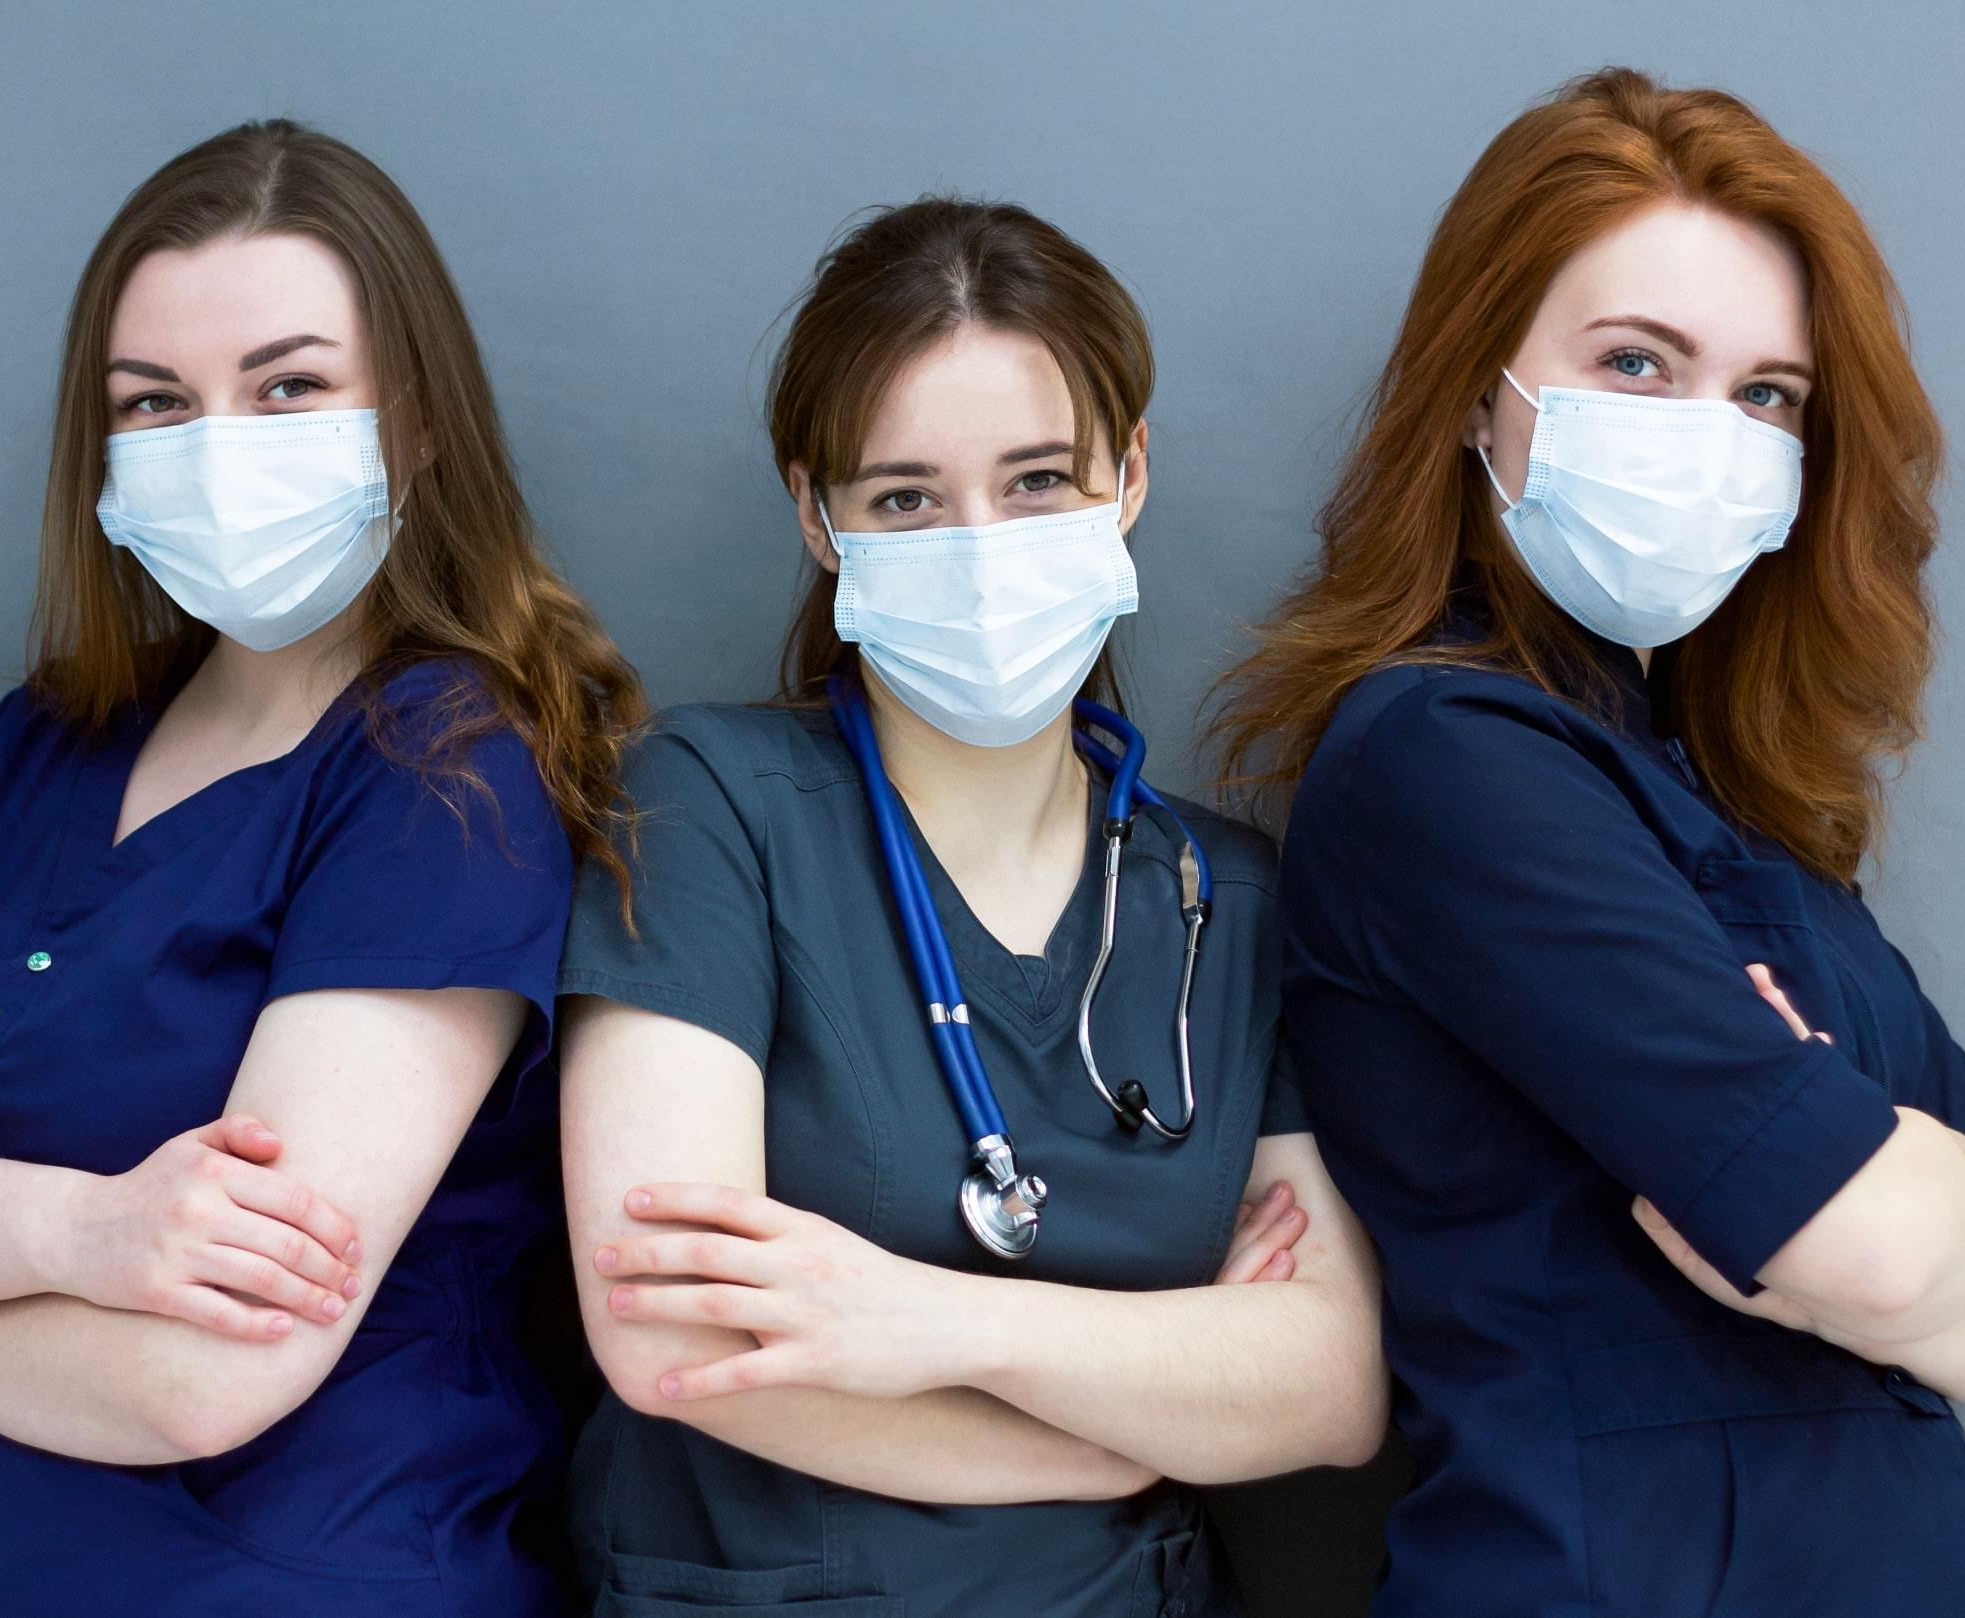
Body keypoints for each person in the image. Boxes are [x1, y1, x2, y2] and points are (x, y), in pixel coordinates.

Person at [0, 119, 639, 1615]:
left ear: (419, 419)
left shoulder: (450, 767)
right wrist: (84, 1232)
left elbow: (206, 1374)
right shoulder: (49, 741)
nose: (220, 449)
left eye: (289, 388)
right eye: (158, 403)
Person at [1214, 68, 1965, 1618]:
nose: (1714, 438)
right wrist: (1906, 1226)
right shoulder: (1445, 763)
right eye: (1636, 361)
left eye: (1767, 397)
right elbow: (1898, 1263)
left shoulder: (1736, 805)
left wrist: (1897, 1210)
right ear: (1484, 387)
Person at [555, 197, 1387, 1618]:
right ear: (819, 517)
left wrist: (918, 1318)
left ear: (1129, 477)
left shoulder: (1218, 899)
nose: (980, 542)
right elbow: (675, 1333)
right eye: (905, 498)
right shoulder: (712, 806)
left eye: (1038, 479)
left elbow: (1331, 1383)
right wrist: (1122, 1427)